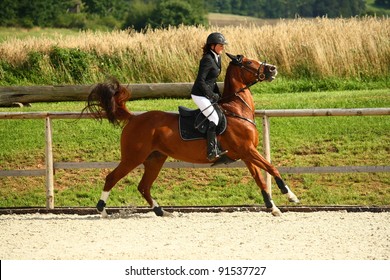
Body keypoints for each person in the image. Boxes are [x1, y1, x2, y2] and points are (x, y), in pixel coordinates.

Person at [191, 32, 228, 161]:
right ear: (212, 46)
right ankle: (211, 151)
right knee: (214, 117)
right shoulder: (207, 59)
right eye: (221, 45)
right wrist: (211, 95)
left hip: (207, 93)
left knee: (220, 114)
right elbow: (201, 81)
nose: (223, 47)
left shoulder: (217, 57)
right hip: (199, 95)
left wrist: (219, 95)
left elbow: (212, 80)